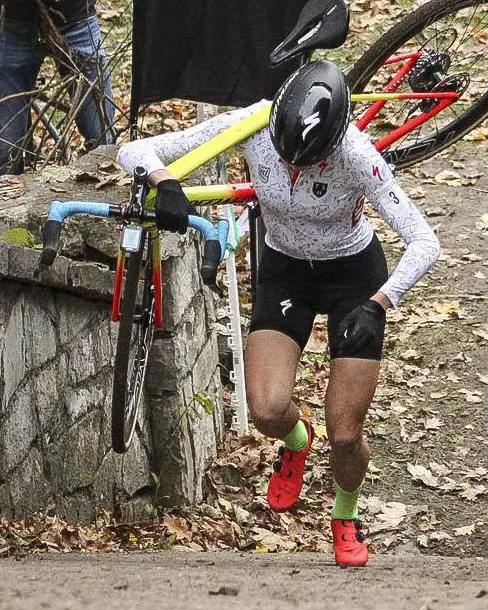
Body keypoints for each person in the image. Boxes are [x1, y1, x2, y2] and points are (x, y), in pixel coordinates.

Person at [116, 60, 441, 567]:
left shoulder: (358, 155)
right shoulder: (253, 122)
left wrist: (381, 304)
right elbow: (133, 148)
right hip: (285, 271)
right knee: (266, 410)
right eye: (286, 159)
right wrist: (164, 181)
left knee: (347, 434)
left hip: (354, 278)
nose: (293, 171)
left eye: (306, 164)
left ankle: (344, 515)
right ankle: (295, 441)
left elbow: (425, 241)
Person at [0, 0, 115, 174]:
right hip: (12, 21)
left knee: (103, 139)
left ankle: (99, 197)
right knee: (6, 150)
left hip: (77, 18)